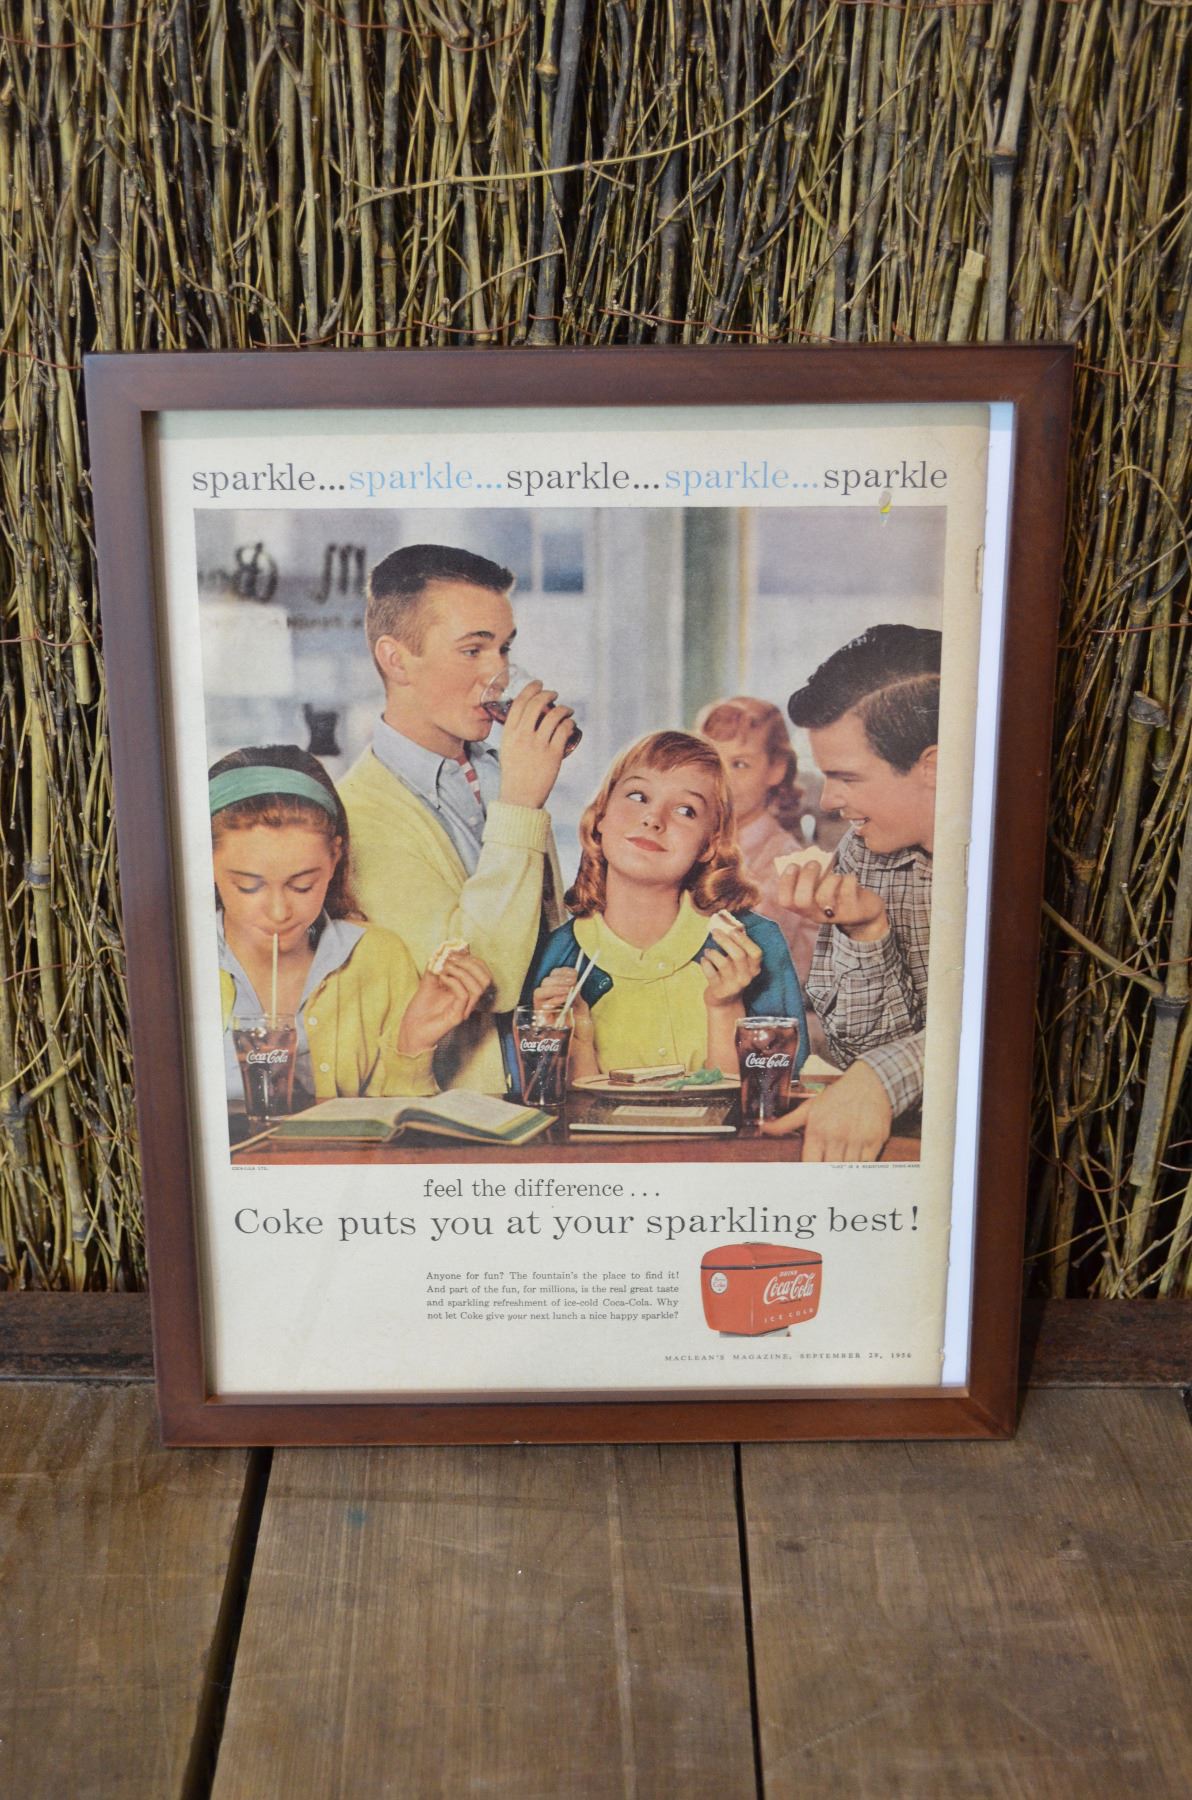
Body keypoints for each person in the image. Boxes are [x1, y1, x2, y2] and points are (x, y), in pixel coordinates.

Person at [338, 545, 571, 1093]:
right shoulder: (359, 814)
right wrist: (521, 805)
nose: (499, 673)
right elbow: (484, 981)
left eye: (504, 648)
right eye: (473, 650)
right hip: (468, 1111)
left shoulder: (503, 769)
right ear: (396, 660)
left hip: (557, 1081)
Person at [211, 746, 492, 1108]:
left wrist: (412, 1042)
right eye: (249, 886)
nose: (279, 912)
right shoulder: (174, 964)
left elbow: (394, 1125)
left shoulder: (379, 957)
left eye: (303, 885)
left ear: (335, 856)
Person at [527, 730, 807, 1082]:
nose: (653, 819)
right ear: (600, 816)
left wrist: (725, 1008)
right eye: (638, 796)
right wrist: (576, 1042)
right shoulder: (553, 958)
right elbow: (545, 1105)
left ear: (709, 844)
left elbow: (779, 1096)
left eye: (686, 810)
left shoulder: (755, 944)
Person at [763, 625, 940, 1162]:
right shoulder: (862, 854)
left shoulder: (1018, 857)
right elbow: (858, 1056)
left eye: (847, 778)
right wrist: (866, 933)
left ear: (934, 766)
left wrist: (881, 1078)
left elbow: (1006, 1028)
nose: (829, 801)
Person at [695, 694, 820, 986]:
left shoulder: (784, 863)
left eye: (739, 764)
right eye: (711, 762)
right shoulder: (695, 842)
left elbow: (738, 962)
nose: (721, 780)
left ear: (776, 769)